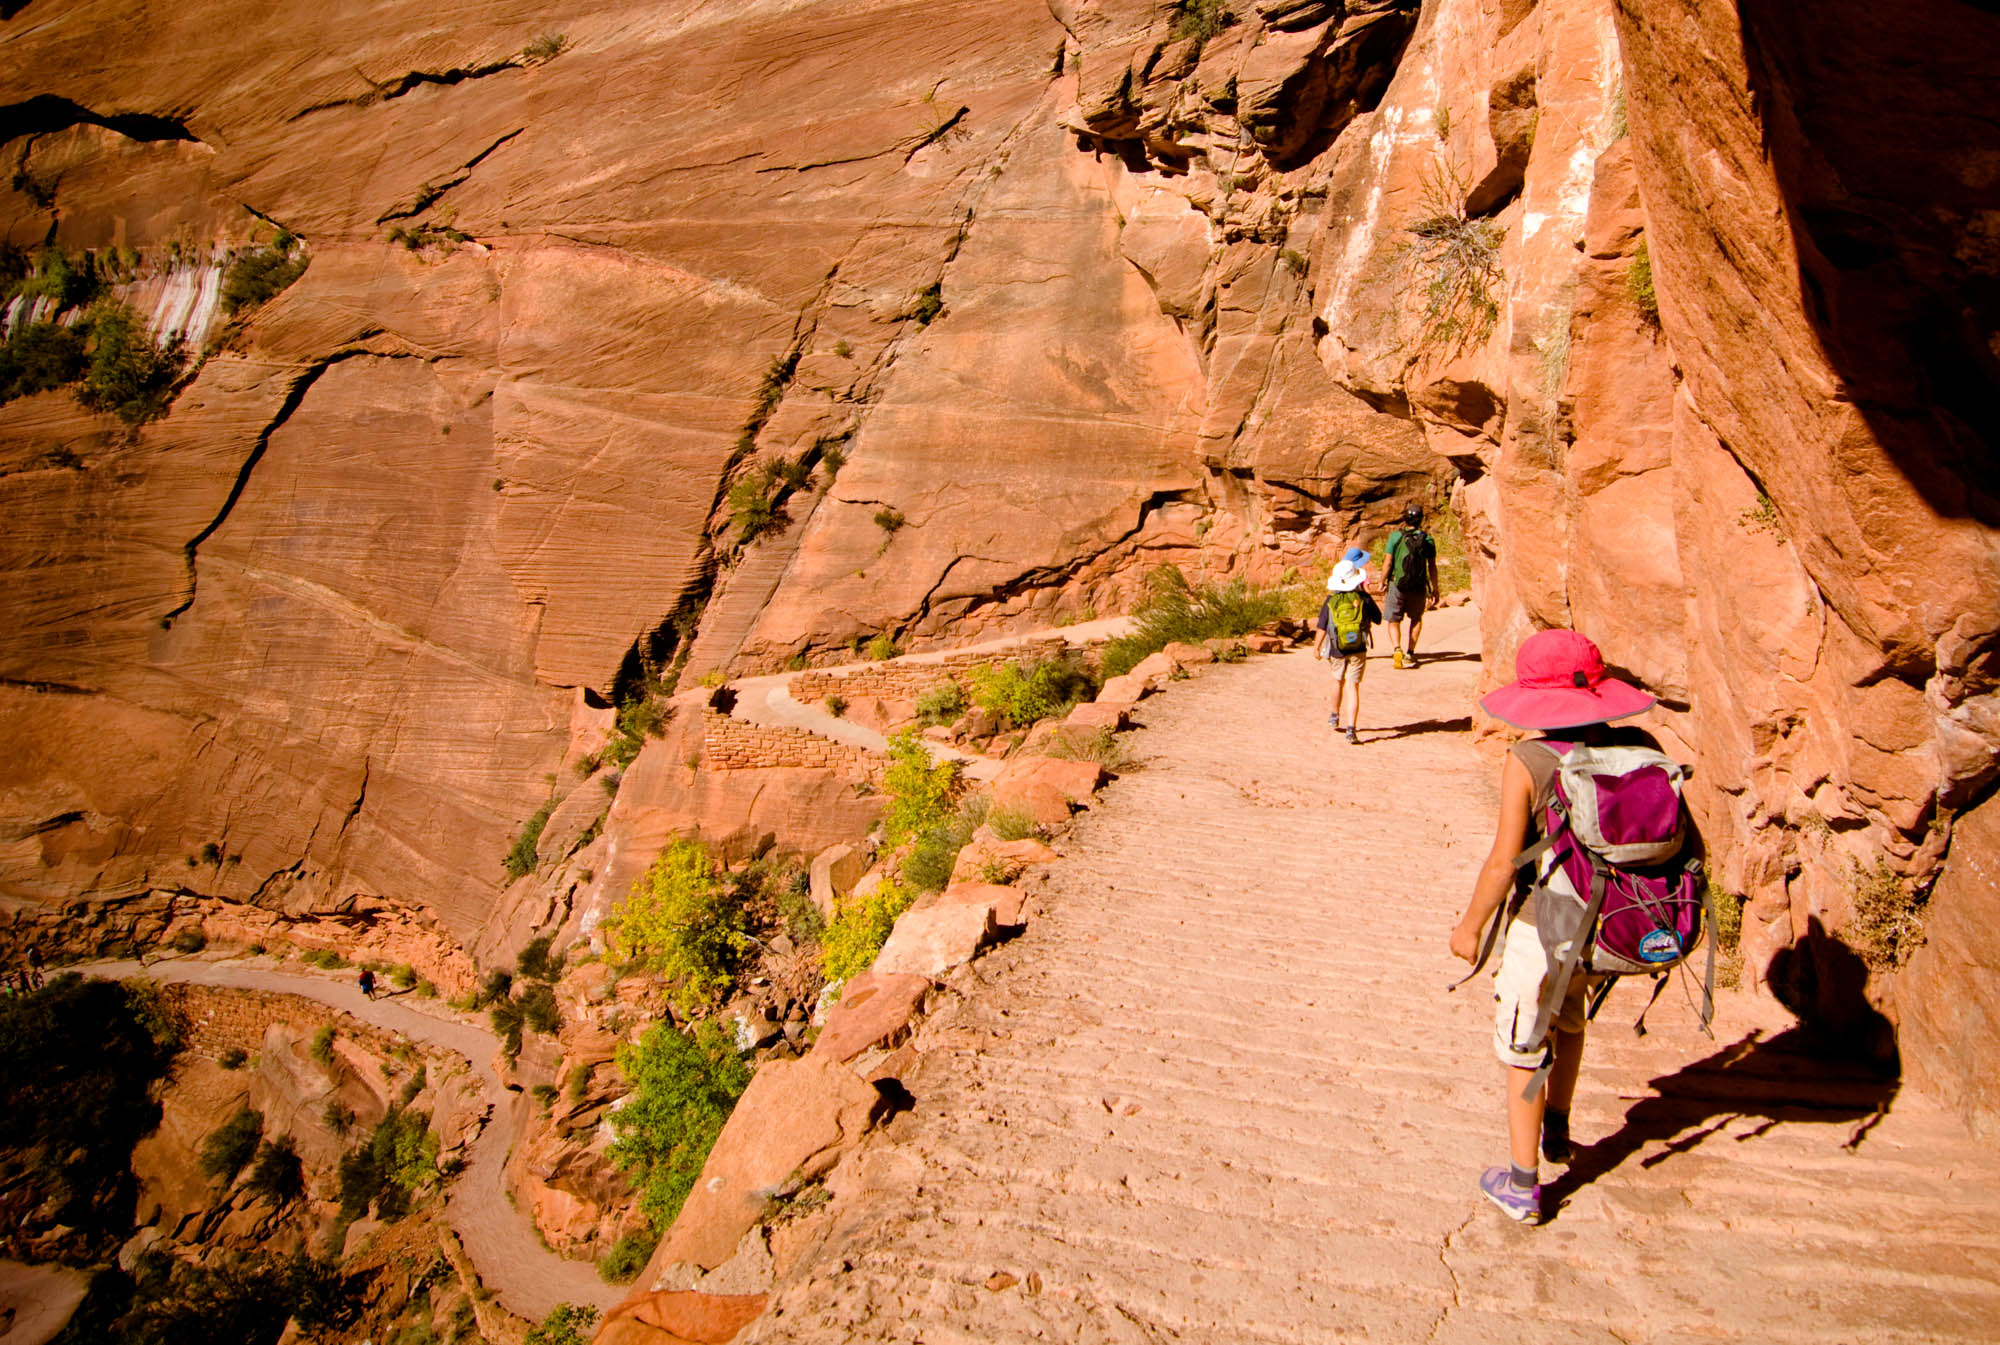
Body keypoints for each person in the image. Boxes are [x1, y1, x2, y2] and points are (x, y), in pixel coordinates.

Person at [1448, 629, 1667, 1225]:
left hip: (1541, 930)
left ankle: (1522, 1185)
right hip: (1607, 925)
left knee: (1525, 1051)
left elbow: (1504, 861)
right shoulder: (1640, 746)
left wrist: (1470, 926)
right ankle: (1559, 1129)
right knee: (1570, 1024)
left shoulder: (1529, 760)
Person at [1312, 553, 1381, 745]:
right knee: (1353, 687)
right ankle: (1351, 729)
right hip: (1358, 648)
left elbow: (1322, 627)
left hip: (1337, 648)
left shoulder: (1331, 602)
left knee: (1337, 681)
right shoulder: (1363, 599)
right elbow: (1378, 619)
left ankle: (1334, 715)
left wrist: (1316, 647)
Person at [1380, 504, 1439, 669]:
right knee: (1416, 618)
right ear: (1421, 520)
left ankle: (1396, 649)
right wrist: (1435, 588)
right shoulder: (1427, 539)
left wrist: (1382, 580)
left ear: (1405, 518)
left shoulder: (1395, 537)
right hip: (1418, 586)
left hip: (1398, 584)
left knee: (1393, 619)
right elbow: (1432, 567)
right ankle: (1410, 653)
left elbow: (1388, 562)